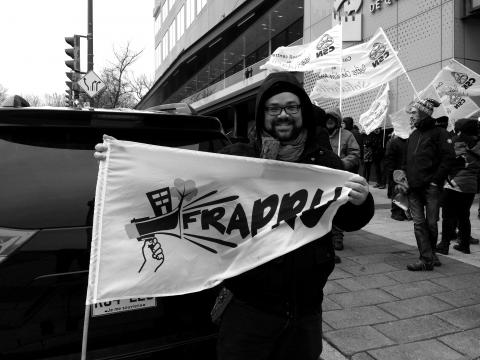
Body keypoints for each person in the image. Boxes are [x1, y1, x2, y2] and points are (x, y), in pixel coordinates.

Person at [95, 72, 374, 360]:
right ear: (262, 113)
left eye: (291, 107)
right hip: (248, 308)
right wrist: (122, 163)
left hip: (307, 310)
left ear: (302, 111)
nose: (283, 115)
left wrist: (361, 201)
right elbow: (185, 180)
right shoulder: (238, 159)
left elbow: (349, 221)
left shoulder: (324, 162)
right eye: (274, 108)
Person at [402, 98, 455, 271]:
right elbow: (406, 161)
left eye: (414, 113)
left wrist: (435, 181)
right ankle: (426, 258)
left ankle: (431, 254)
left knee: (431, 223)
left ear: (424, 114)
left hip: (431, 187)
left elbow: (448, 159)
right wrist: (403, 179)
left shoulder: (440, 134)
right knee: (419, 223)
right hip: (413, 187)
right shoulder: (413, 135)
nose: (411, 116)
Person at [436, 118, 480, 255]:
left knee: (448, 216)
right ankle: (464, 245)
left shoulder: (458, 141)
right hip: (471, 185)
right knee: (464, 216)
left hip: (455, 183)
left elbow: (448, 159)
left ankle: (444, 245)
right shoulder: (478, 144)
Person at [325, 109, 361, 251]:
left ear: (338, 121)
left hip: (340, 177)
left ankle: (337, 237)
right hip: (323, 177)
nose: (329, 121)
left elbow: (355, 153)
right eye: (327, 118)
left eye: (333, 119)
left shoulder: (347, 135)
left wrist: (343, 163)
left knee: (338, 206)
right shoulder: (320, 134)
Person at [384, 133, 409, 221]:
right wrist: (391, 171)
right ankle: (396, 212)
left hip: (401, 171)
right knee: (398, 191)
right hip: (397, 171)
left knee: (403, 191)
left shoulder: (406, 141)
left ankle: (401, 211)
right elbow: (389, 158)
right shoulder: (395, 142)